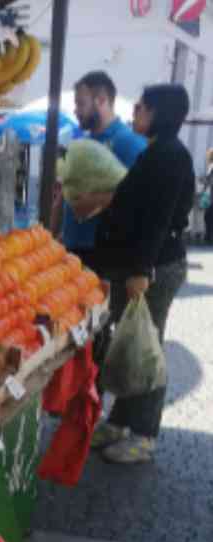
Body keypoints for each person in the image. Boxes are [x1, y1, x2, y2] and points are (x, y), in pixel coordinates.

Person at [79, 84, 194, 464]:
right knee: (126, 342)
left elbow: (159, 220)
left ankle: (144, 433)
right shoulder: (156, 152)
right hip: (140, 262)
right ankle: (120, 422)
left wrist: (142, 270)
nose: (135, 114)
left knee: (145, 345)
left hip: (156, 266)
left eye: (141, 107)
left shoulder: (170, 156)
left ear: (159, 112)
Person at [51, 71, 148, 271]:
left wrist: (94, 202)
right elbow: (65, 192)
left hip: (103, 254)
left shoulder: (129, 143)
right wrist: (52, 236)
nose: (76, 110)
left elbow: (140, 195)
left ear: (101, 100)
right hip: (71, 248)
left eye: (81, 104)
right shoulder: (83, 142)